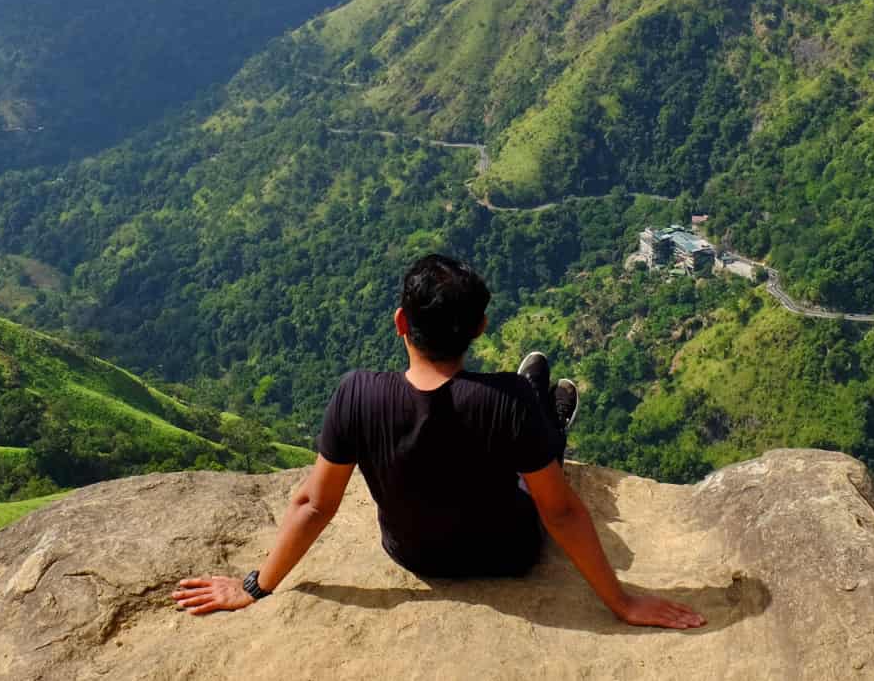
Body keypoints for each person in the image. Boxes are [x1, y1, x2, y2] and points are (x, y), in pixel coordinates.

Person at [174, 253, 704, 629]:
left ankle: (548, 420)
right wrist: (621, 602)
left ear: (401, 323)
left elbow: (314, 504)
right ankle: (553, 429)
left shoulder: (357, 394)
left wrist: (253, 587)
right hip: (509, 554)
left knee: (523, 409)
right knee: (534, 440)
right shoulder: (506, 399)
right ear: (480, 328)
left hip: (414, 556)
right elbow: (561, 513)